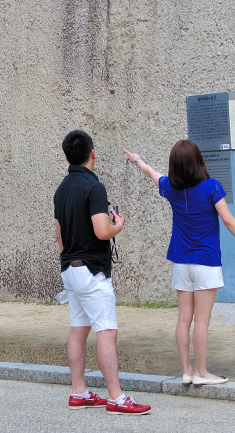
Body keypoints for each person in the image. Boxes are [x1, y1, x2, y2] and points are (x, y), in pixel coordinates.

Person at [123, 140, 235, 386]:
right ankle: (201, 372)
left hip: (181, 263)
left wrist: (136, 160)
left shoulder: (170, 187)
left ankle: (186, 371)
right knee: (202, 321)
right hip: (206, 262)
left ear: (174, 165)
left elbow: (152, 173)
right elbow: (228, 220)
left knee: (183, 320)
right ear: (198, 161)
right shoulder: (212, 187)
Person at [54, 130, 151, 415]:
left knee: (78, 329)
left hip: (69, 270)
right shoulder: (94, 187)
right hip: (92, 272)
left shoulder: (61, 190)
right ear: (92, 153)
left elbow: (60, 237)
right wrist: (117, 225)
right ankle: (116, 398)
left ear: (67, 157)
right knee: (107, 332)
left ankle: (78, 391)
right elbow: (101, 230)